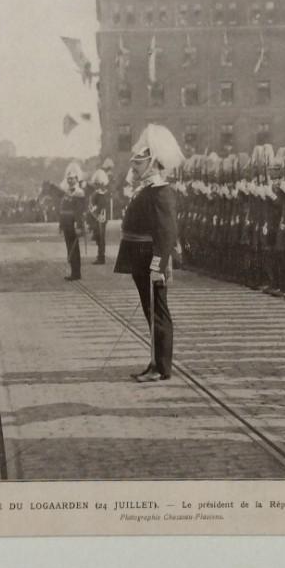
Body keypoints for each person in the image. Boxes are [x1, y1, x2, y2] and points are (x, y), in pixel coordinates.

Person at [114, 124, 182, 383]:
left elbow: (166, 234)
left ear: (152, 163)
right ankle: (155, 361)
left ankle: (162, 366)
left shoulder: (161, 192)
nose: (134, 168)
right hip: (139, 256)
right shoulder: (147, 190)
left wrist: (157, 266)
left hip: (150, 259)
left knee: (157, 312)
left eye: (138, 164)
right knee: (149, 310)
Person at [59, 162, 87, 280]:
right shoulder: (66, 193)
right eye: (68, 179)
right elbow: (62, 210)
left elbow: (79, 212)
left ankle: (76, 273)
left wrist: (79, 226)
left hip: (73, 224)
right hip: (66, 224)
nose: (70, 181)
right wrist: (61, 225)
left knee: (74, 248)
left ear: (77, 179)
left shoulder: (79, 193)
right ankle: (73, 271)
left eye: (72, 179)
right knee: (69, 247)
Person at [87, 168, 111, 264]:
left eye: (98, 183)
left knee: (100, 237)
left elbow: (99, 206)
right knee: (99, 237)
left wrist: (93, 210)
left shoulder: (100, 194)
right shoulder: (101, 193)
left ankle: (101, 257)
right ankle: (100, 255)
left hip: (100, 216)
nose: (96, 185)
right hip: (99, 216)